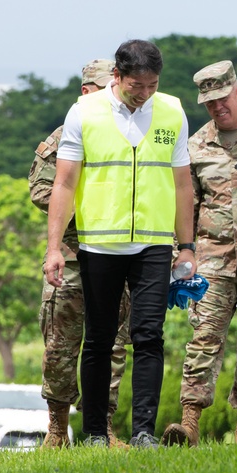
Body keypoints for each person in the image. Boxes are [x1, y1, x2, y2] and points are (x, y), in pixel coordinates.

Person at [44, 40, 195, 448]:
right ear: (117, 76)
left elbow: (183, 184)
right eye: (135, 85)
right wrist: (54, 248)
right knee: (99, 338)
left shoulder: (172, 110)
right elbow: (64, 182)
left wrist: (188, 246)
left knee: (149, 336)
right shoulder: (85, 112)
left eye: (152, 85)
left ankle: (144, 431)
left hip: (153, 244)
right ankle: (94, 432)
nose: (144, 93)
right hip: (99, 243)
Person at [162, 60, 237, 446]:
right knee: (203, 339)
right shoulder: (195, 146)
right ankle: (190, 423)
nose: (217, 107)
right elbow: (187, 206)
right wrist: (182, 253)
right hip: (211, 259)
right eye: (209, 103)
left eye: (223, 98)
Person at [29, 59, 131, 448]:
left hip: (116, 252)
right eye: (105, 89)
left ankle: (102, 429)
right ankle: (56, 430)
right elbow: (41, 191)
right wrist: (90, 201)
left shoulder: (125, 135)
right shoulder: (61, 138)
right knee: (59, 344)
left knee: (114, 345)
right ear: (87, 92)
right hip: (71, 256)